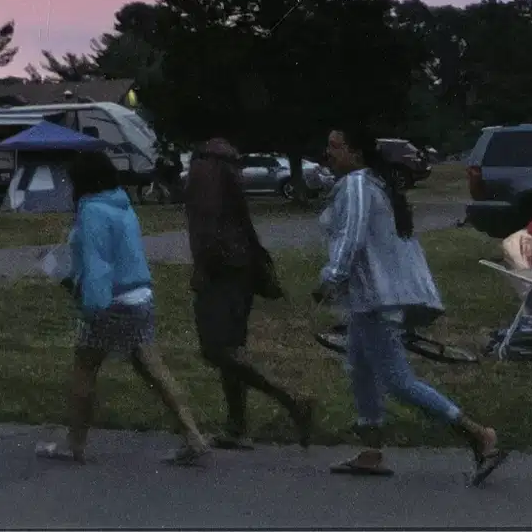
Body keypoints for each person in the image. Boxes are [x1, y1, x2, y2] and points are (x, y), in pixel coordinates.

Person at [315, 126, 505, 483]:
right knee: (360, 371)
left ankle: (479, 435)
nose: (328, 153)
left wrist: (331, 277)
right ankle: (371, 452)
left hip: (376, 300)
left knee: (397, 380)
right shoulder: (373, 185)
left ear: (356, 153)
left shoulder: (357, 184)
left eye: (335, 146)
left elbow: (350, 236)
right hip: (367, 300)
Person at [37, 149, 215, 467]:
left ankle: (74, 444)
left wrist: (89, 305)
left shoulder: (91, 211)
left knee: (84, 369)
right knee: (154, 369)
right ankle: (193, 435)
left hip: (109, 302)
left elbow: (97, 264)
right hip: (140, 297)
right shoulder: (123, 206)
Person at [184, 138, 313, 449]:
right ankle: (237, 426)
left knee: (217, 349)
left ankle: (292, 399)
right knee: (233, 349)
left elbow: (206, 229)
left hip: (221, 271)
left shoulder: (204, 173)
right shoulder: (228, 176)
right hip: (242, 269)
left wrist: (202, 268)